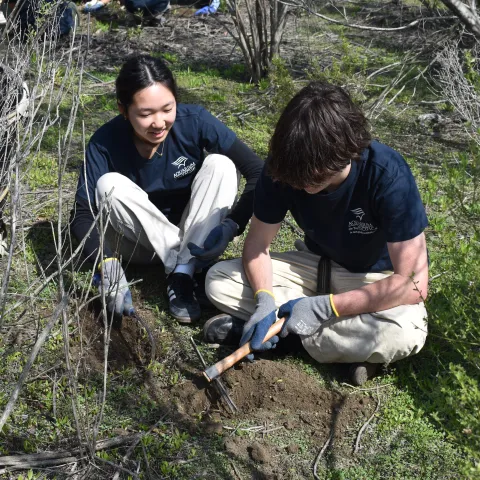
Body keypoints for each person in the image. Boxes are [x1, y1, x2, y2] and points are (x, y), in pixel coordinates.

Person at [202, 81, 429, 386]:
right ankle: (317, 336)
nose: (303, 184)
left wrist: (328, 306)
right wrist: (265, 299)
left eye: (314, 175)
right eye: (297, 178)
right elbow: (257, 244)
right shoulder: (284, 167)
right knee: (218, 281)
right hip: (312, 266)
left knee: (406, 330)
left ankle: (286, 338)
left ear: (349, 150)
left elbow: (414, 284)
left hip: (372, 279)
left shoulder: (387, 174)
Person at [71, 54, 263, 324]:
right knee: (107, 185)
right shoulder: (104, 142)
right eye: (145, 114)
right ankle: (183, 269)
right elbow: (82, 214)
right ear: (123, 110)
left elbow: (258, 172)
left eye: (167, 108)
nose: (159, 123)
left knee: (222, 165)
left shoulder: (195, 121)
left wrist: (232, 225)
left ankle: (182, 271)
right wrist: (107, 263)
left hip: (196, 237)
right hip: (136, 242)